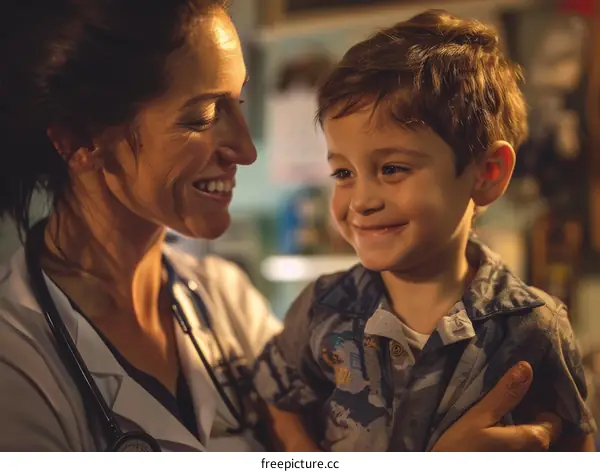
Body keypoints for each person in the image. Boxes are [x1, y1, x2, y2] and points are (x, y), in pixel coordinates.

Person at [0, 0, 562, 452]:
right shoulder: (17, 366)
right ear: (79, 142)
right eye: (201, 117)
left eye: (240, 102)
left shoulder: (224, 301)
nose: (245, 149)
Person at [253, 10, 596, 452]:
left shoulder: (533, 328)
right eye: (343, 173)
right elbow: (274, 399)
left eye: (392, 168)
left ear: (487, 173)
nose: (360, 200)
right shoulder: (322, 308)